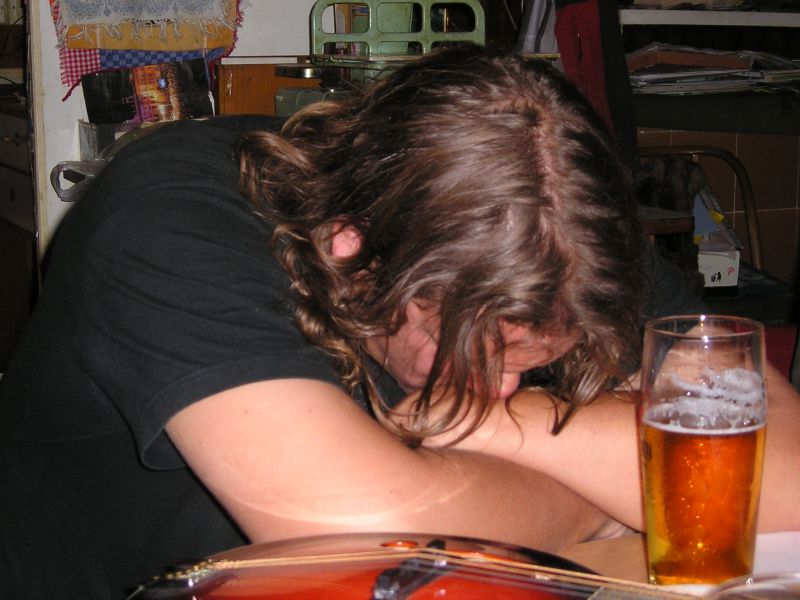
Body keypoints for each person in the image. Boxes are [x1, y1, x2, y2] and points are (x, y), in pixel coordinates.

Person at [0, 45, 797, 599]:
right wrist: (618, 491)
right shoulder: (172, 217)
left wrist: (508, 427)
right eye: (477, 353)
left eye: (530, 367)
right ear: (353, 247)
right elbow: (367, 544)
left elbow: (783, 477)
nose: (501, 386)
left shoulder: (558, 231)